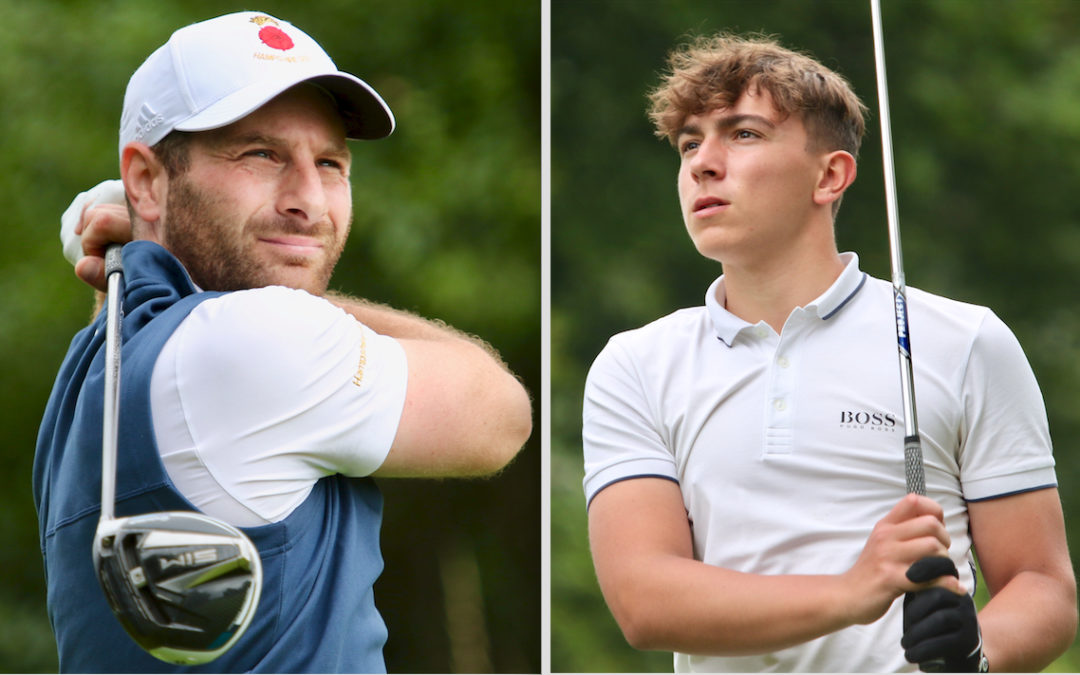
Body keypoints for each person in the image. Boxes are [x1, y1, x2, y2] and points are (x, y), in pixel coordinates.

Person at [34, 11, 532, 673]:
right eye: (260, 154)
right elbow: (499, 412)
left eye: (330, 163)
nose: (309, 200)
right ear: (148, 181)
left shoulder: (91, 365)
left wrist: (141, 242)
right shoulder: (251, 345)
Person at [581, 33, 1075, 673]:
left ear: (830, 175)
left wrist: (977, 651)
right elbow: (643, 600)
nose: (703, 162)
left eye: (744, 134)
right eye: (690, 143)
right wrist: (852, 591)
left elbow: (1043, 585)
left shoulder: (967, 340)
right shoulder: (634, 364)